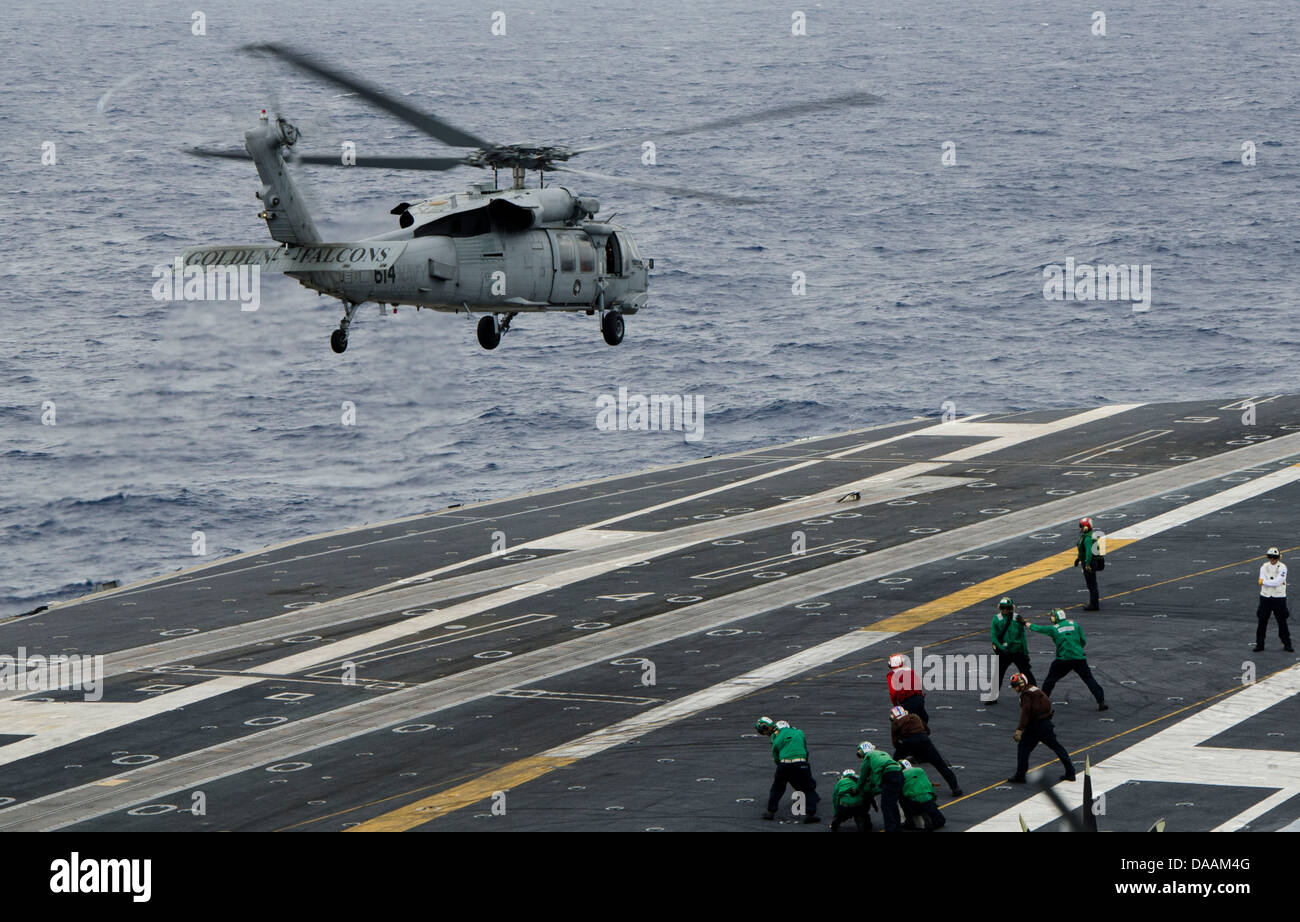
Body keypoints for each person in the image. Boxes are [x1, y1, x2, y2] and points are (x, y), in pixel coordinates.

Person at [1026, 608, 1107, 710]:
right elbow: (1083, 641)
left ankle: (1042, 703)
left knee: (1050, 681)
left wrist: (1025, 623)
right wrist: (1077, 649)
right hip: (1079, 658)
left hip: (1063, 659)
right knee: (1089, 679)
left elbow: (1039, 628)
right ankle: (1101, 701)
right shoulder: (1074, 625)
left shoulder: (1054, 628)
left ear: (1055, 617)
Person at [1006, 673, 1076, 783]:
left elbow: (1025, 712)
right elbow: (1047, 702)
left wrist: (1019, 729)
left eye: (1015, 685)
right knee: (1057, 747)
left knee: (1023, 748)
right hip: (1046, 724)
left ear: (1021, 683)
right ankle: (1070, 772)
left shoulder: (1025, 695)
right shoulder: (1035, 689)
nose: (1014, 688)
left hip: (1035, 726)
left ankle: (1020, 776)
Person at [754, 716, 821, 822]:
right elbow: (805, 750)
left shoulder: (776, 738)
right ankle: (810, 814)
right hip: (801, 763)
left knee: (777, 788)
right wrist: (804, 764)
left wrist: (781, 767)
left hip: (784, 764)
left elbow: (776, 757)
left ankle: (770, 812)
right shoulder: (799, 732)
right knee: (808, 788)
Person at [889, 705, 962, 796]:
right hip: (923, 739)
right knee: (940, 764)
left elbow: (895, 742)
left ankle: (891, 783)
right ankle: (955, 787)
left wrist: (901, 749)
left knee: (895, 762)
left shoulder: (895, 723)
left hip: (908, 742)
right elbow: (928, 730)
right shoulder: (914, 717)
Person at [982, 596, 1037, 705]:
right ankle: (993, 697)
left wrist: (1025, 652)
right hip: (1004, 653)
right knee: (998, 675)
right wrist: (1002, 649)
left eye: (1007, 607)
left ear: (1012, 608)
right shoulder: (996, 619)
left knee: (1027, 674)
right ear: (999, 608)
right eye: (1003, 608)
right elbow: (994, 638)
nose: (1005, 610)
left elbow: (1022, 637)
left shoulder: (1017, 618)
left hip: (1017, 651)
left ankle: (1036, 695)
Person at [854, 741, 904, 832]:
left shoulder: (868, 757)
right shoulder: (882, 753)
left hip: (888, 774)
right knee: (892, 803)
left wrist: (857, 789)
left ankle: (891, 829)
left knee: (886, 805)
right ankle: (897, 827)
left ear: (861, 751)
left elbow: (863, 777)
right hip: (898, 773)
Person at [1255, 547, 1293, 652]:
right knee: (1262, 621)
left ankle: (1287, 643)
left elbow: (1277, 582)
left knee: (1282, 621)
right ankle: (1260, 644)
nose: (1272, 559)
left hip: (1278, 598)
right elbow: (1265, 579)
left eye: (1274, 557)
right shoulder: (1264, 566)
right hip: (1265, 597)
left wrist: (1264, 582)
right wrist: (1266, 582)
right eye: (1270, 557)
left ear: (1278, 558)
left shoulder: (1282, 567)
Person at [898, 760, 946, 831]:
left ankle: (910, 822)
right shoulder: (920, 770)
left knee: (901, 799)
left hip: (914, 801)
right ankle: (936, 821)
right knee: (938, 817)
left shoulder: (900, 774)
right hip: (928, 797)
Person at [886, 653, 929, 726]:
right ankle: (924, 733)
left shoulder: (891, 675)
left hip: (906, 702)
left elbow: (893, 693)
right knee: (923, 718)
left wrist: (896, 705)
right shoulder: (910, 670)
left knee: (908, 722)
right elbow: (918, 684)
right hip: (918, 698)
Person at [1074, 517, 1100, 610]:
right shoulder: (1088, 534)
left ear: (1086, 527)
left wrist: (1087, 564)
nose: (1080, 528)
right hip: (1088, 561)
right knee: (1092, 584)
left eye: (1081, 526)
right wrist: (1078, 559)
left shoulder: (1088, 538)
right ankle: (1093, 602)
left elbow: (1088, 552)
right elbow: (1083, 551)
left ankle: (1094, 604)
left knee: (1091, 584)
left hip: (1089, 563)